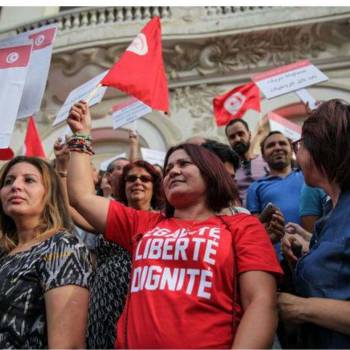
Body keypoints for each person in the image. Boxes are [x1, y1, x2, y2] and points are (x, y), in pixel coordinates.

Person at [66, 101, 283, 349]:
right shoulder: (143, 223)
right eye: (168, 168)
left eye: (184, 164)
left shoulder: (242, 226)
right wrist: (81, 136)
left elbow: (261, 302)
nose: (173, 172)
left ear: (210, 172)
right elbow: (81, 196)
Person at [278, 99, 350, 348]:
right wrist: (308, 246)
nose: (296, 154)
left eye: (299, 145)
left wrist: (301, 308)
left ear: (321, 147)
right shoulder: (333, 209)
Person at [0, 156, 92, 349]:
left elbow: (68, 345)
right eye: (8, 181)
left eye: (29, 180)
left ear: (49, 193)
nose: (15, 186)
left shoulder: (62, 247)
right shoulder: (4, 253)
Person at [87, 160, 163, 349]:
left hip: (147, 302)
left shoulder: (165, 221)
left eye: (145, 178)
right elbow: (73, 205)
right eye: (131, 179)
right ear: (123, 185)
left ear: (155, 186)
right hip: (104, 298)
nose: (138, 182)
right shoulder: (107, 215)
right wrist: (63, 168)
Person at [247, 131, 304, 255]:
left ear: (291, 149)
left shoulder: (307, 175)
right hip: (277, 258)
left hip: (314, 250)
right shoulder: (255, 187)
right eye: (271, 145)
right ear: (263, 155)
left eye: (282, 143)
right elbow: (256, 228)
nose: (277, 148)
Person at [225, 118, 269, 206]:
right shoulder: (227, 170)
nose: (237, 139)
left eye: (241, 134)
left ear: (249, 134)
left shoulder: (267, 161)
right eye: (232, 137)